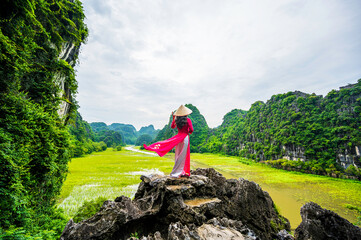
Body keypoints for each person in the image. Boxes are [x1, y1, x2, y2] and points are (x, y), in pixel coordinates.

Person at [143, 105, 194, 177]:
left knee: (178, 154)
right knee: (183, 155)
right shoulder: (188, 120)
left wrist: (173, 119)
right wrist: (187, 131)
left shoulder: (177, 120)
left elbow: (172, 127)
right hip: (185, 138)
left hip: (178, 138)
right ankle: (177, 173)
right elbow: (191, 130)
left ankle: (178, 172)